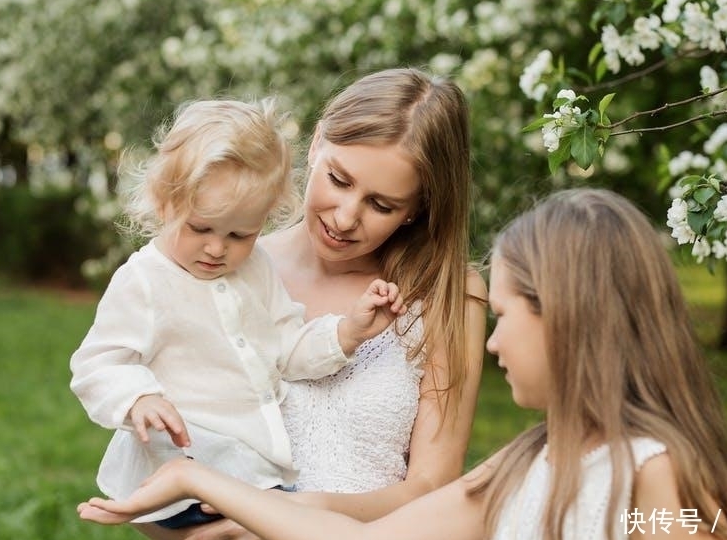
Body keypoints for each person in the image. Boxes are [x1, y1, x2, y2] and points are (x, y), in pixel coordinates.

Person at [79, 188, 727, 540]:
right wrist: (197, 479)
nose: (491, 345)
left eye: (503, 316)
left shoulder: (654, 469)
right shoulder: (531, 460)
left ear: (566, 315)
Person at [131, 68, 487, 539]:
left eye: (382, 205)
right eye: (339, 179)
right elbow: (156, 451)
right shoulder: (225, 270)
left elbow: (433, 486)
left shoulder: (447, 293)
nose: (345, 218)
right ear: (316, 143)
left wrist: (286, 513)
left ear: (418, 208)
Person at [69, 98, 405, 529]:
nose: (216, 248)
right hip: (180, 472)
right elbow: (97, 362)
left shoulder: (256, 269)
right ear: (163, 201)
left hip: (253, 473)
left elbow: (287, 348)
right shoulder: (144, 281)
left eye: (240, 234)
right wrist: (138, 398)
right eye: (201, 227)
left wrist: (347, 333)